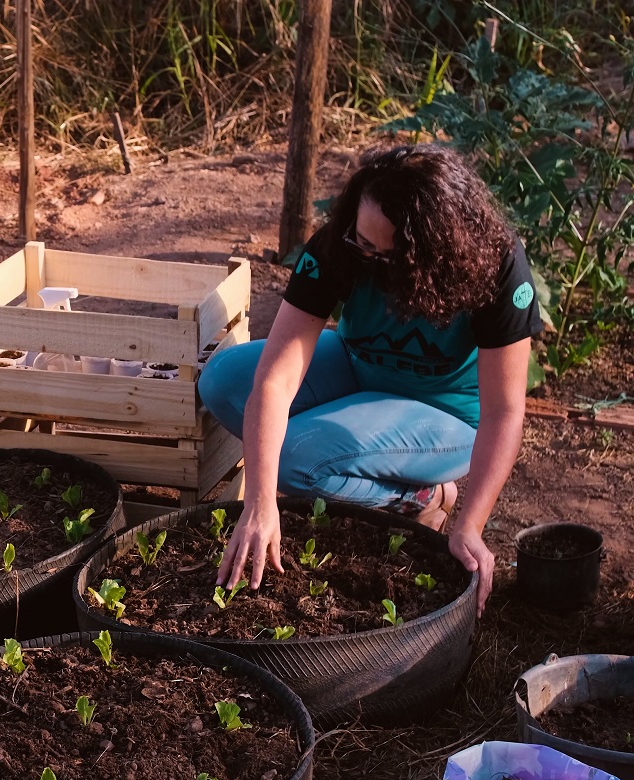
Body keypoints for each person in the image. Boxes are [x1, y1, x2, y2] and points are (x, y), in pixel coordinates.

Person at [199, 144, 540, 616]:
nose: (368, 258)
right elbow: (275, 379)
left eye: (387, 255)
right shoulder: (341, 244)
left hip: (445, 413)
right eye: (363, 244)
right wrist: (259, 502)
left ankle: (424, 496)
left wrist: (470, 525)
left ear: (434, 253)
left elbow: (504, 412)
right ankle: (373, 466)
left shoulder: (494, 262)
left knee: (295, 455)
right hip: (358, 365)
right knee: (222, 380)